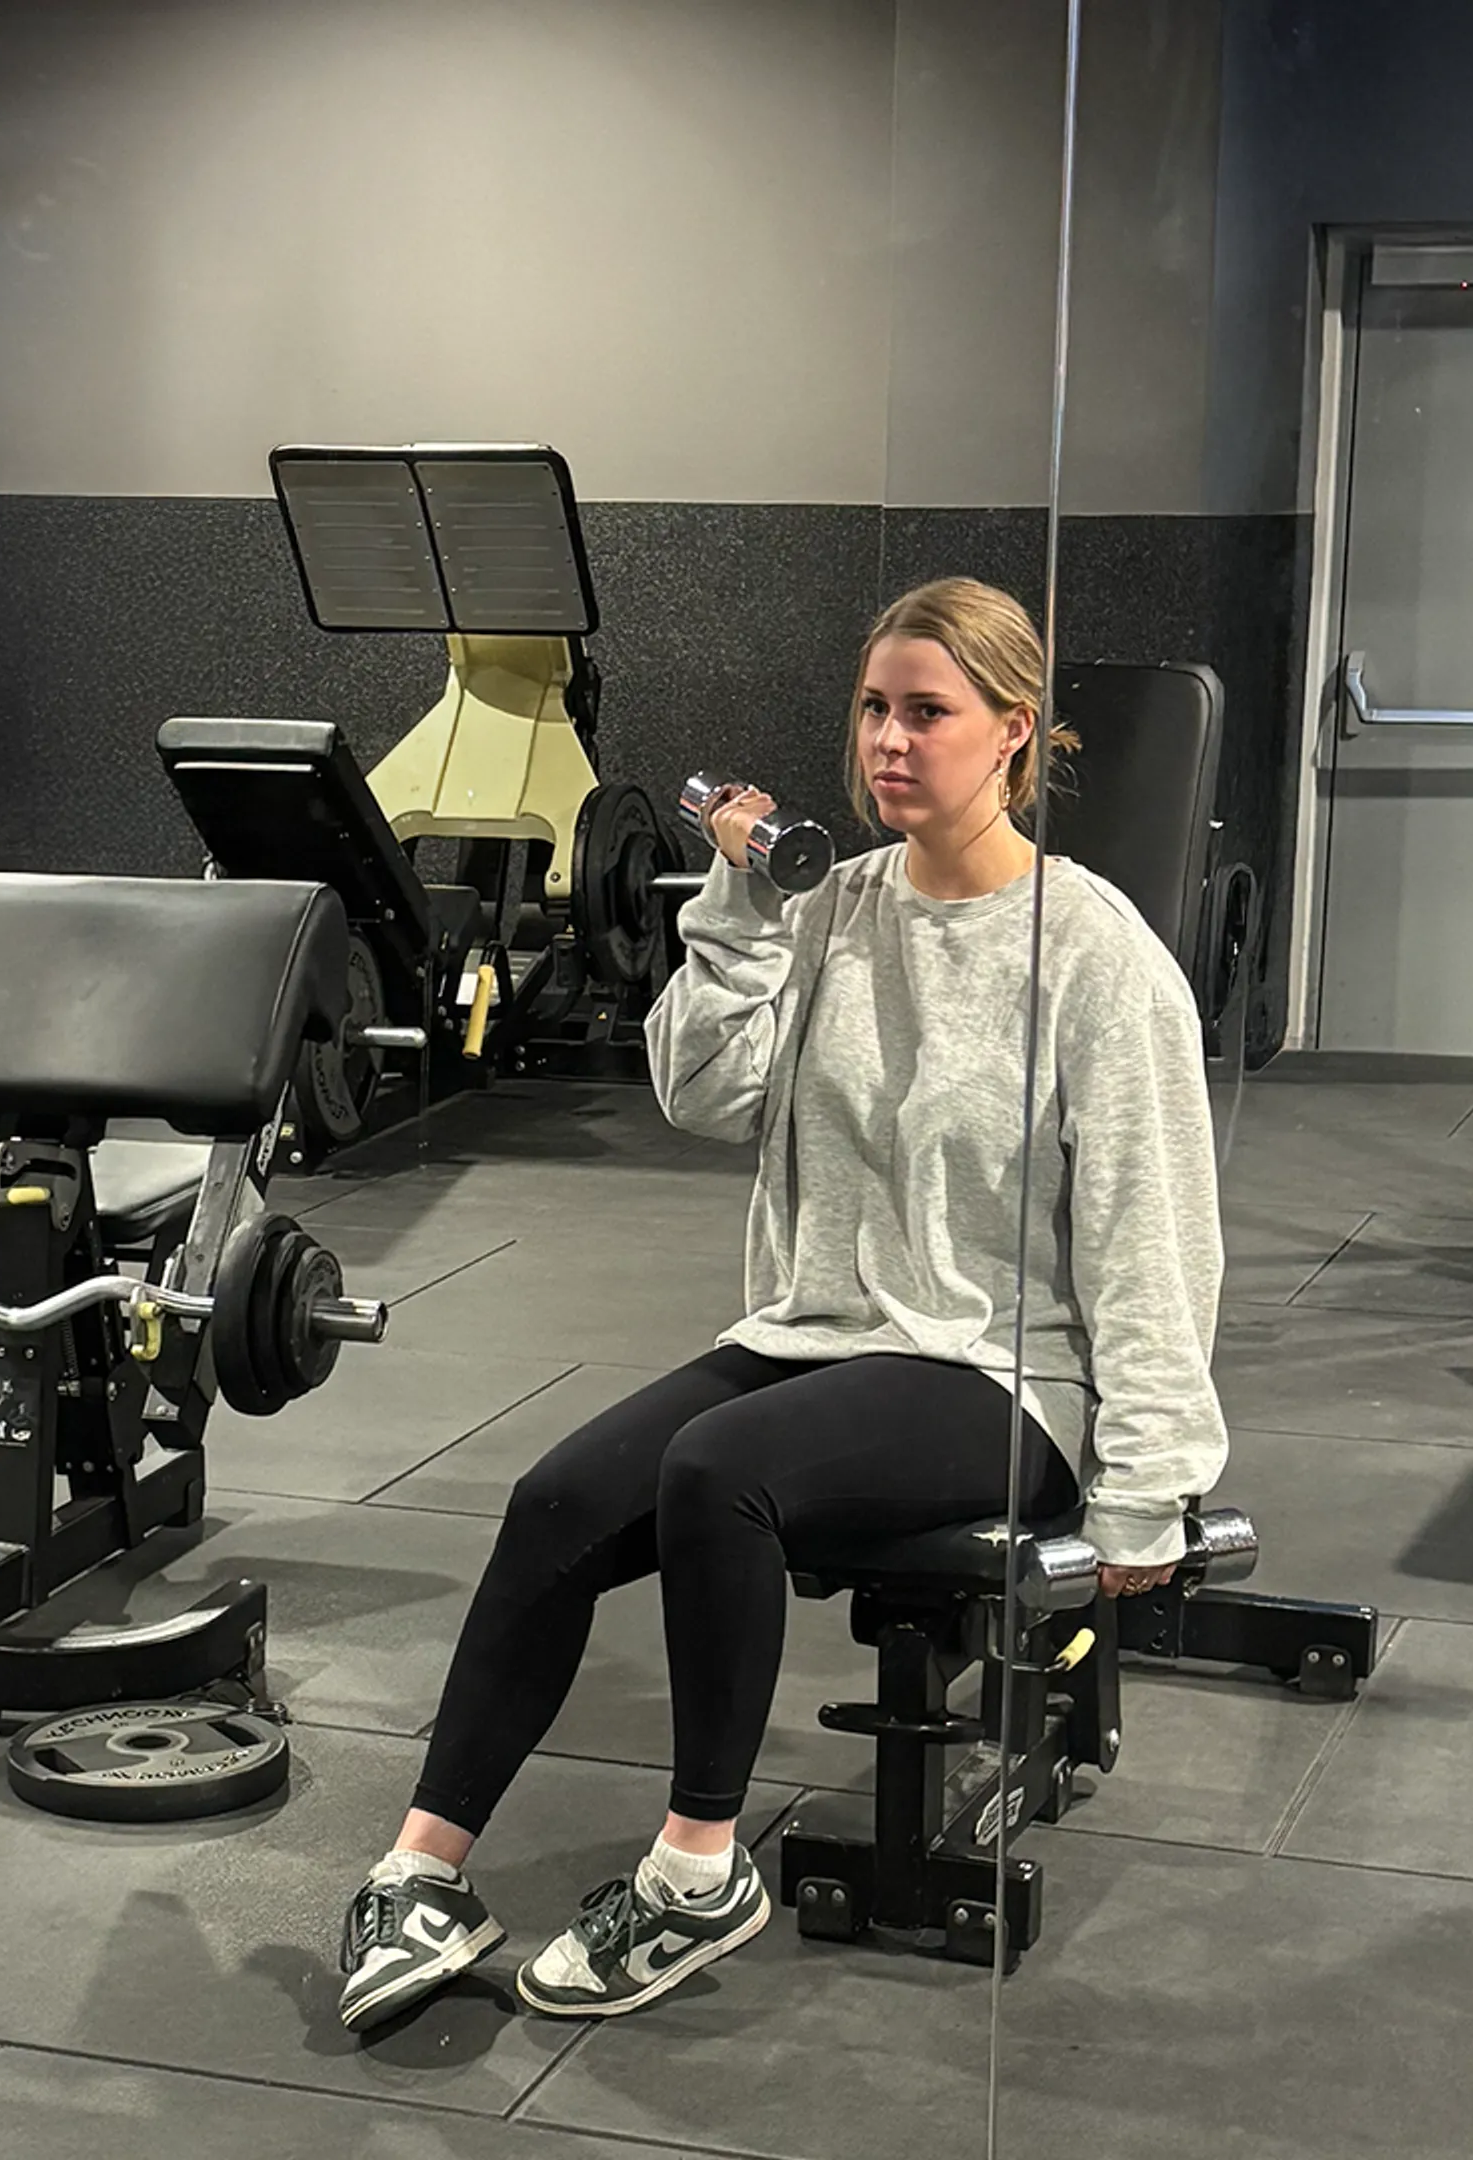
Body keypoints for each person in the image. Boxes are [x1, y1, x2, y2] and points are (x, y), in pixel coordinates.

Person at [336, 575, 1231, 2030]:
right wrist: (741, 913)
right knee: (558, 1497)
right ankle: (423, 1867)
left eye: (927, 713)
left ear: (1013, 733)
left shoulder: (1095, 954)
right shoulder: (830, 905)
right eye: (873, 708)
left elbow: (1155, 1232)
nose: (889, 741)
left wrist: (1154, 1489)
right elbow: (705, 1098)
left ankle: (700, 1874)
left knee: (717, 1472)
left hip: (1007, 1372)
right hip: (818, 1329)